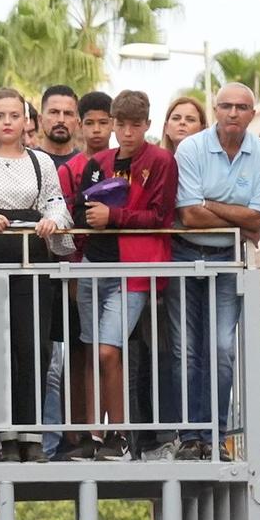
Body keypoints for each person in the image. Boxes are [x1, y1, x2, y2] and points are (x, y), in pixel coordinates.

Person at [0, 87, 72, 463]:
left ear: (26, 121)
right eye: (0, 116)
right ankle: (4, 435)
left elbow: (57, 205)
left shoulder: (41, 163)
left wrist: (52, 222)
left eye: (14, 116)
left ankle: (33, 434)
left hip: (32, 261)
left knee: (35, 347)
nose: (7, 123)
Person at [59, 91, 176, 461]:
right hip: (95, 263)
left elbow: (161, 216)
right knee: (94, 352)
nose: (127, 133)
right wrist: (87, 218)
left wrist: (115, 217)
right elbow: (80, 208)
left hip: (133, 270)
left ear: (147, 125)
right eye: (120, 125)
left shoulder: (160, 161)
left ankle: (121, 437)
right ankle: (95, 438)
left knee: (110, 351)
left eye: (134, 126)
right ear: (113, 123)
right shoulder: (99, 161)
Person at [173, 84, 260, 457]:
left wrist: (211, 205)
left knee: (220, 348)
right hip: (185, 255)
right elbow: (188, 214)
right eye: (226, 106)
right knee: (186, 349)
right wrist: (241, 221)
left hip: (230, 259)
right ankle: (190, 437)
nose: (234, 113)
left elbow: (259, 215)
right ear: (215, 110)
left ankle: (215, 435)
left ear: (252, 114)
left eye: (242, 107)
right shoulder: (192, 148)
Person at [34, 85, 81, 165]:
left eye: (68, 114)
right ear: (40, 119)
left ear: (77, 121)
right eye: (54, 112)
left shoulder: (87, 166)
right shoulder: (27, 163)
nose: (61, 120)